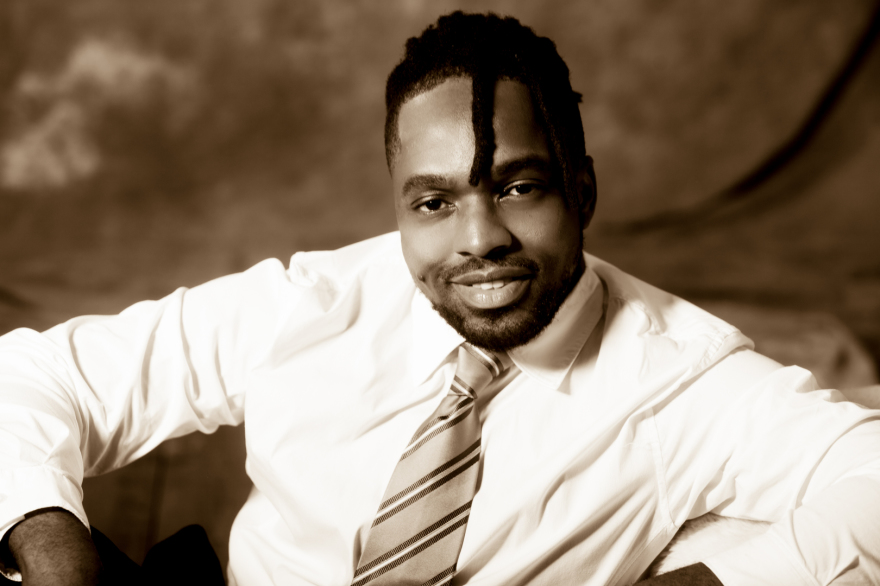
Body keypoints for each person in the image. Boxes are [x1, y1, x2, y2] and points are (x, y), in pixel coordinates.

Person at [1, 11, 879, 586]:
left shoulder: (683, 380)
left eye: (518, 187)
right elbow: (36, 377)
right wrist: (59, 562)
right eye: (434, 202)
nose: (478, 238)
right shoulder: (318, 302)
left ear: (582, 190)